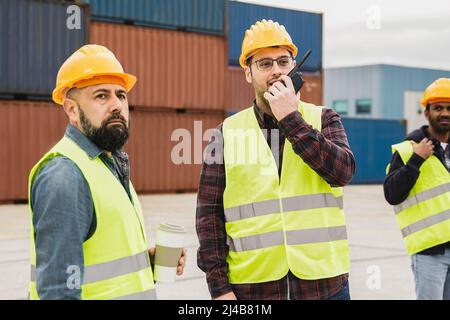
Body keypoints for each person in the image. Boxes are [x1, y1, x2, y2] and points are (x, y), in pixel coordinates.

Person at [196, 19, 355, 300]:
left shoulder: (324, 118)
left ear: (294, 66)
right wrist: (219, 288)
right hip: (255, 287)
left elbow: (342, 172)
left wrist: (291, 120)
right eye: (265, 64)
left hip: (324, 285)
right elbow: (209, 216)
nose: (277, 71)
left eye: (283, 62)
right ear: (248, 73)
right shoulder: (226, 133)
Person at [28, 44, 186, 300]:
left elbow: (101, 267)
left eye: (121, 95)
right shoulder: (64, 174)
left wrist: (145, 264)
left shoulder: (108, 164)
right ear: (71, 109)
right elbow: (58, 290)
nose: (116, 105)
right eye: (102, 96)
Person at [384, 78, 450, 300]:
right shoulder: (407, 150)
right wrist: (416, 161)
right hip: (430, 251)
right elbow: (392, 194)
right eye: (438, 108)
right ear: (427, 112)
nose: (444, 113)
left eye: (449, 108)